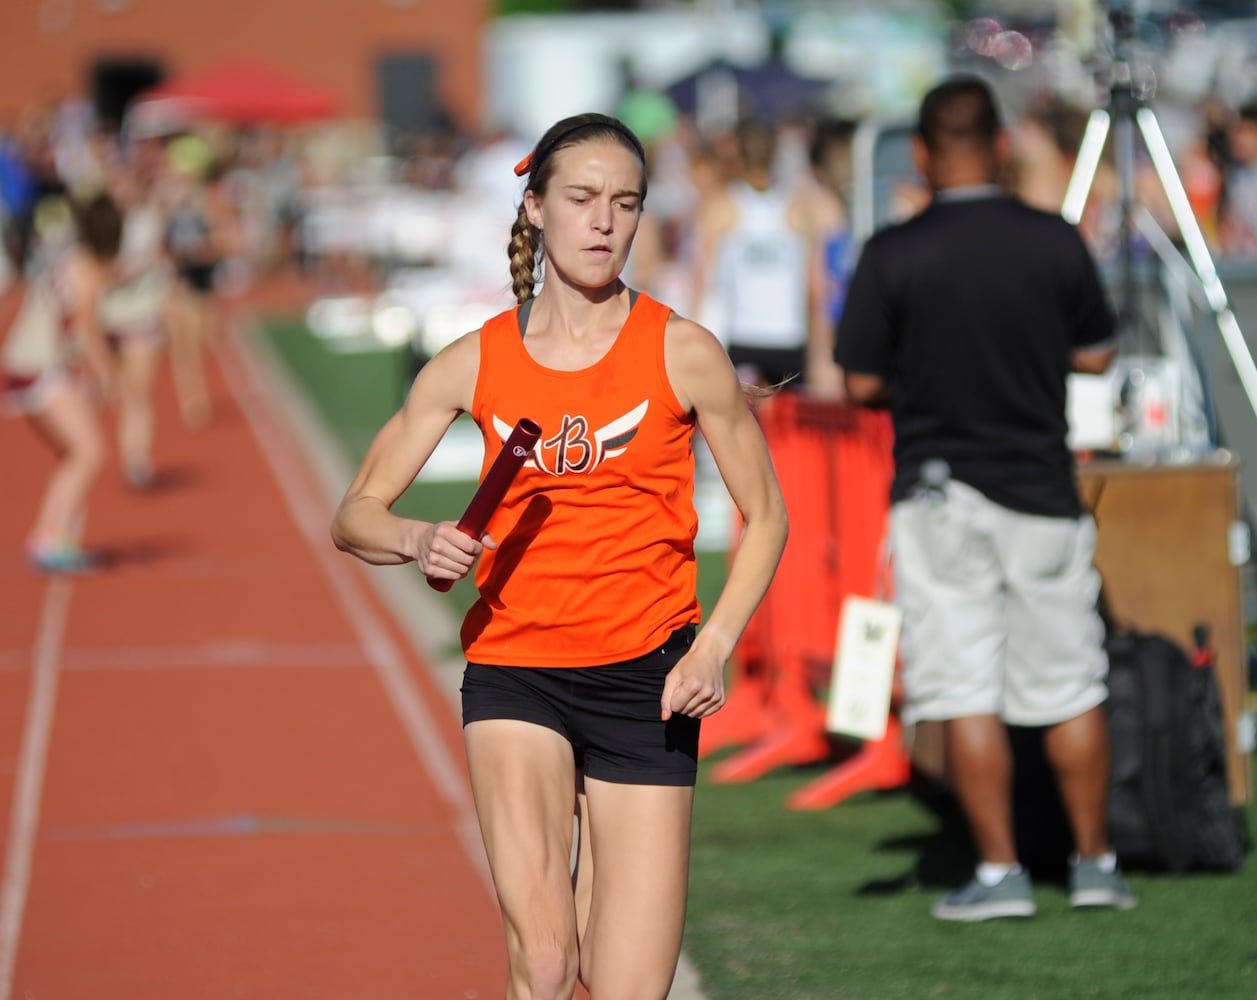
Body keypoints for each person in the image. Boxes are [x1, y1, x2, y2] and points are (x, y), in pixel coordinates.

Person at [331, 113, 788, 998]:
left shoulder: (683, 352)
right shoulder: (470, 362)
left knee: (628, 989)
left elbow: (764, 517)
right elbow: (355, 514)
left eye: (625, 203)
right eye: (580, 199)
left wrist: (714, 645)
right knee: (545, 961)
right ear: (534, 207)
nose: (603, 221)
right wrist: (417, 538)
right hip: (517, 670)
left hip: (647, 681)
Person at [835, 75, 1135, 921]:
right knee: (1069, 683)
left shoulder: (893, 251)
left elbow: (858, 379)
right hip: (1042, 485)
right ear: (1000, 146)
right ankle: (1093, 863)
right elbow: (1097, 354)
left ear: (922, 154)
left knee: (965, 687)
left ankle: (1000, 873)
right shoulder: (1052, 239)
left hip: (939, 491)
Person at [2, 191, 121, 572]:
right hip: (38, 367)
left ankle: (55, 533)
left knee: (75, 451)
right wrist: (107, 374)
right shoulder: (88, 271)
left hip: (31, 363)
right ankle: (48, 537)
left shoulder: (70, 261)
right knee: (89, 452)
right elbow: (86, 328)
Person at [691, 116, 830, 391]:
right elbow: (817, 290)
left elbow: (701, 282)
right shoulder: (800, 210)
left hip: (743, 335)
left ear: (738, 155)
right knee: (786, 430)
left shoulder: (721, 207)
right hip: (789, 337)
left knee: (738, 429)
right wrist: (821, 355)